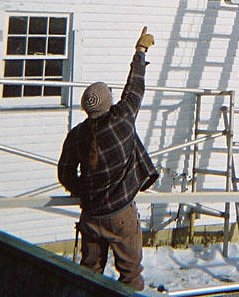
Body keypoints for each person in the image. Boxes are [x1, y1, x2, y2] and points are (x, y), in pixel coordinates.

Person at [58, 29, 159, 292]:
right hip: (120, 215)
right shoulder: (122, 120)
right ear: (107, 103)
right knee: (130, 277)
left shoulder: (77, 136)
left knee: (89, 275)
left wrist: (83, 191)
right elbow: (135, 87)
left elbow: (65, 174)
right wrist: (140, 51)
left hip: (90, 215)